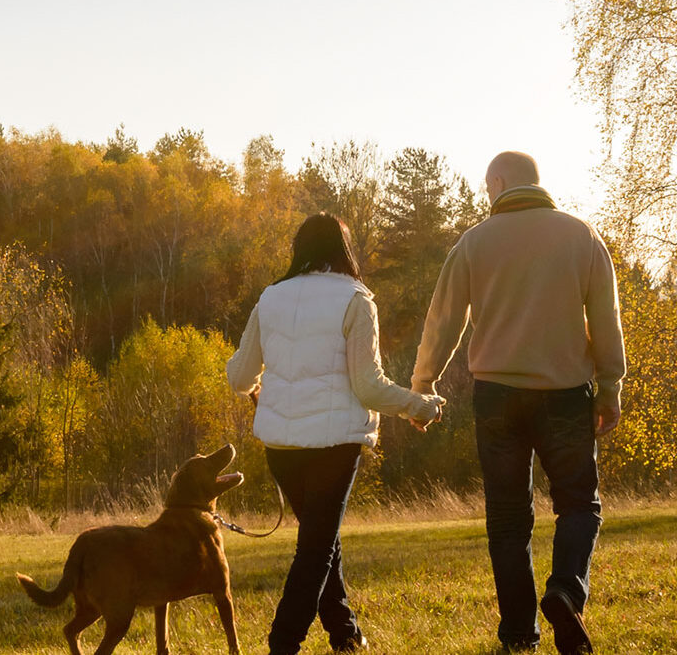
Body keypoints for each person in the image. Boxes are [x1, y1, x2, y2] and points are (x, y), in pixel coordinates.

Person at [411, 151, 625, 655]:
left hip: (497, 397)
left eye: (488, 189)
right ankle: (567, 593)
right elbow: (606, 316)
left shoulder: (473, 243)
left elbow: (443, 320)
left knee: (508, 517)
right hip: (566, 394)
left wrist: (423, 384)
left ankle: (519, 636)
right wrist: (611, 385)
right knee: (578, 504)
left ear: (500, 182)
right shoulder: (581, 235)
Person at [228, 214, 446, 655]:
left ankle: (344, 633)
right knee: (316, 549)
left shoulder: (269, 298)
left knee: (320, 539)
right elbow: (367, 385)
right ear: (344, 249)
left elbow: (239, 376)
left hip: (282, 447)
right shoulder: (356, 298)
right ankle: (282, 644)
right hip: (334, 446)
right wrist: (418, 405)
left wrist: (257, 388)